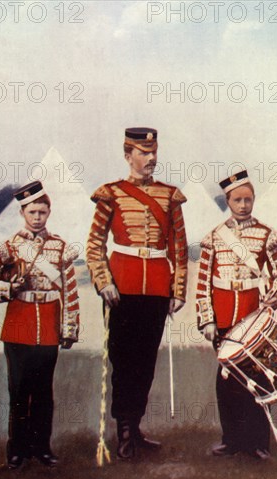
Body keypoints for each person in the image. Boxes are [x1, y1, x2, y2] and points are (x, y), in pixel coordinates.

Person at [86, 127, 188, 459]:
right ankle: (124, 430)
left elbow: (179, 248)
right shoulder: (110, 194)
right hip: (122, 287)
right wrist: (104, 282)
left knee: (145, 363)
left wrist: (178, 289)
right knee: (123, 360)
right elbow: (94, 245)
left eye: (153, 152)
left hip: (157, 287)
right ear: (128, 155)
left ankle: (136, 426)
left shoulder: (170, 196)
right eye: (143, 153)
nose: (151, 158)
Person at [0, 181, 80, 469]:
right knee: (19, 392)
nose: (37, 217)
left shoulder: (60, 247)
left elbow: (70, 290)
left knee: (44, 392)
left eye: (42, 212)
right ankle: (17, 450)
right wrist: (8, 289)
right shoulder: (9, 248)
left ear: (49, 213)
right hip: (18, 327)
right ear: (23, 213)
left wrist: (69, 328)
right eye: (32, 212)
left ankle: (42, 448)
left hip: (49, 327)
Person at [196, 170, 277, 460]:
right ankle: (232, 440)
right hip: (223, 317)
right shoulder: (213, 238)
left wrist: (269, 304)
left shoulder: (265, 235)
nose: (243, 205)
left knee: (260, 380)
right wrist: (207, 319)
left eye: (248, 199)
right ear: (227, 201)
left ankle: (258, 443)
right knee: (228, 384)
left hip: (254, 320)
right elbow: (203, 284)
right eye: (237, 200)